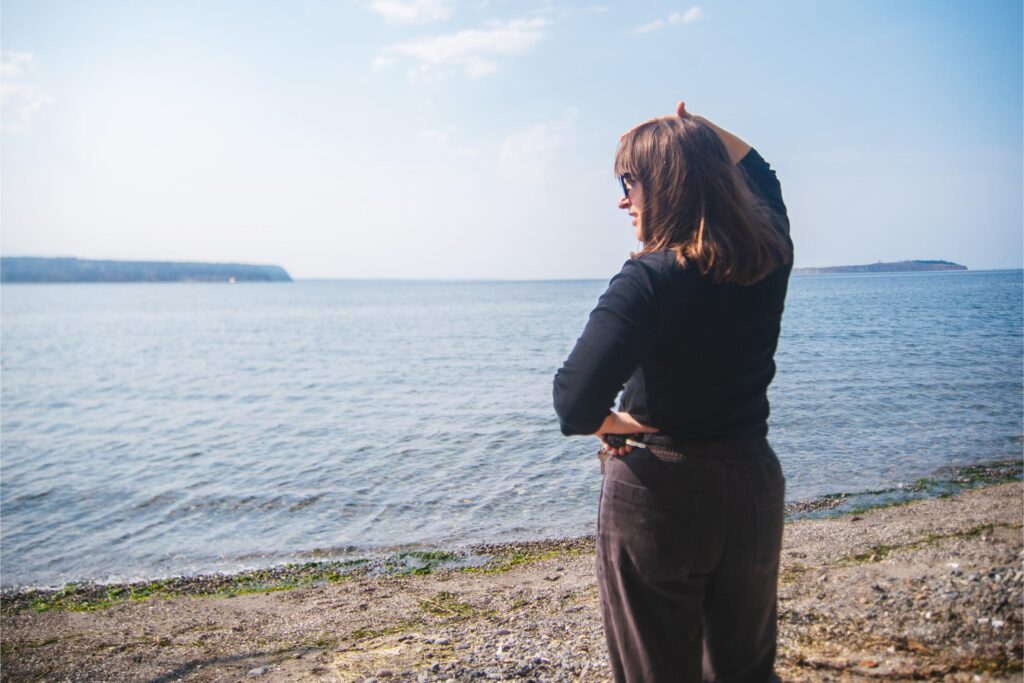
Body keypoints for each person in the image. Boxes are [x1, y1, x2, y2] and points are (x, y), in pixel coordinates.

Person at [552, 101, 793, 683]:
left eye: (628, 181)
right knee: (745, 670)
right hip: (752, 486)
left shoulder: (648, 279)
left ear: (664, 183)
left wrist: (619, 426)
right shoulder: (770, 256)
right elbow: (762, 171)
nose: (622, 199)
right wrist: (698, 128)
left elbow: (573, 403)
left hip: (660, 493)